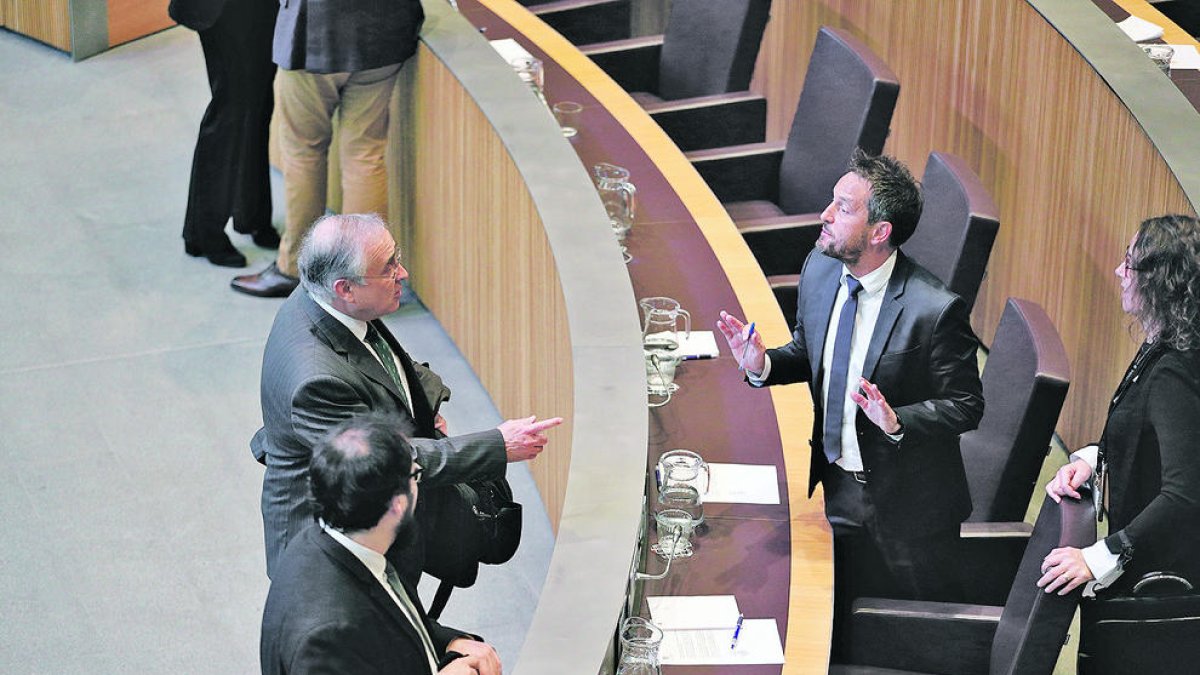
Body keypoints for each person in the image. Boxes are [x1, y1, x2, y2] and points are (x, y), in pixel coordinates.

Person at [716, 150, 984, 659]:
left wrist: (898, 419)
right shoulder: (820, 267)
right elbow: (809, 351)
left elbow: (967, 404)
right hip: (838, 491)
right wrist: (762, 364)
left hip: (912, 513)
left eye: (842, 208)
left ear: (879, 231)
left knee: (913, 645)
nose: (825, 215)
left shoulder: (935, 310)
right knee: (834, 632)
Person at [254, 213, 562, 581]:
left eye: (396, 257)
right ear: (345, 288)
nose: (403, 274)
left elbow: (388, 365)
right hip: (336, 553)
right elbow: (389, 463)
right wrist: (498, 445)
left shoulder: (327, 300)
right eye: (388, 268)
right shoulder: (315, 380)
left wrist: (425, 405)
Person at [261, 416, 503, 674]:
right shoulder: (325, 639)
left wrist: (450, 642)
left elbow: (389, 619)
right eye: (416, 474)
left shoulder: (341, 542)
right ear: (397, 505)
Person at [1041, 215, 1200, 599]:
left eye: (1128, 263)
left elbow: (1184, 493)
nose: (1118, 271)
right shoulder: (1169, 340)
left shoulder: (1174, 371)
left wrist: (1100, 556)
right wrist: (1092, 462)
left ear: (1158, 281)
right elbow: (1147, 438)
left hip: (1163, 588)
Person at [231, 0, 423, 296]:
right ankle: (366, 281)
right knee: (365, 155)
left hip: (314, 33)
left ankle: (294, 267)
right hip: (385, 31)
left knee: (304, 152)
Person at [170, 0, 280, 268]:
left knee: (259, 104)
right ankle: (203, 231)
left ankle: (252, 214)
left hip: (261, 8)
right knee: (231, 109)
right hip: (223, 9)